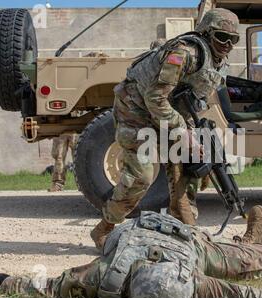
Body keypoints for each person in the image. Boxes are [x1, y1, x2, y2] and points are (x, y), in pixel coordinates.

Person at [91, 8, 243, 249]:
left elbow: (192, 99)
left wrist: (196, 142)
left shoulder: (218, 63)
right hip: (137, 108)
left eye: (233, 39)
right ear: (206, 33)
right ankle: (105, 227)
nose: (227, 44)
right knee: (142, 175)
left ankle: (184, 227)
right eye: (221, 37)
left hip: (173, 112)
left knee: (189, 169)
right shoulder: (184, 53)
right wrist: (182, 131)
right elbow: (155, 98)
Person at [0, 206, 262, 298]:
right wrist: (4, 282)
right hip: (143, 243)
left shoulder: (97, 277)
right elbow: (48, 286)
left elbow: (48, 286)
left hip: (192, 248)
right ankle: (252, 245)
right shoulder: (106, 276)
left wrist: (3, 282)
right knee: (254, 268)